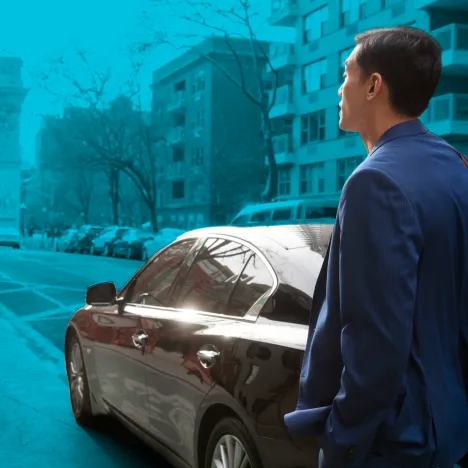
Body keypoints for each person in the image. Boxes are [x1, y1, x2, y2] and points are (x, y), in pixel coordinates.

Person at [284, 26, 468, 468]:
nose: (338, 87)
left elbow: (375, 344)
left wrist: (341, 443)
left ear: (373, 85)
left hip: (395, 442)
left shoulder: (375, 181)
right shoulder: (456, 166)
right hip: (451, 426)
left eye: (346, 73)